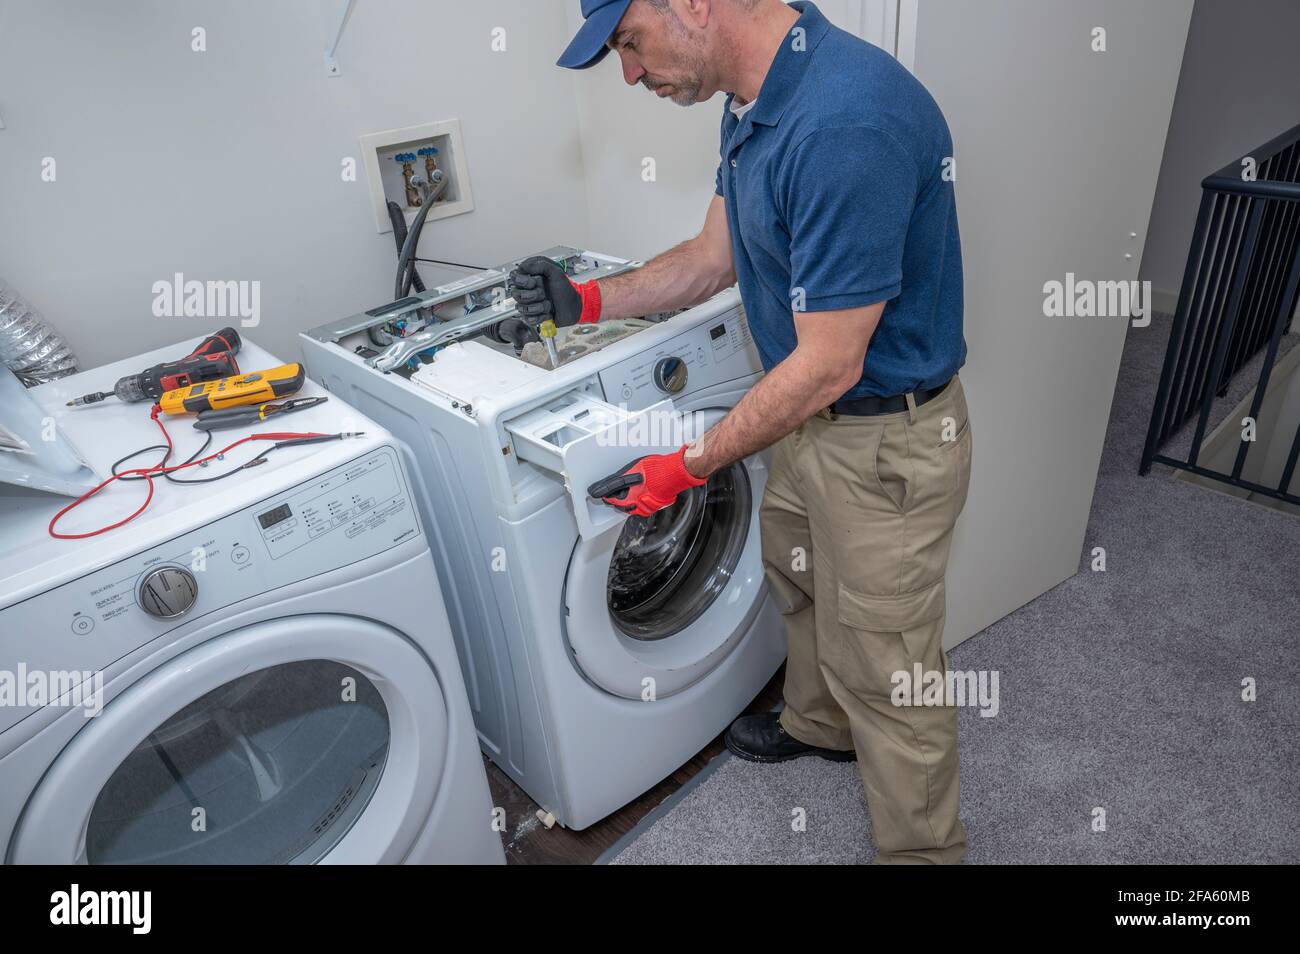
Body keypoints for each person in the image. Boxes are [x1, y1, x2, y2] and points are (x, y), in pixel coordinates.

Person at [507, 0, 972, 864]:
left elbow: (832, 362)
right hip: (804, 424)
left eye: (630, 43)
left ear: (690, 4)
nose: (632, 74)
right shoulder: (751, 104)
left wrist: (684, 467)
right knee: (794, 577)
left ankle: (926, 853)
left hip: (882, 440)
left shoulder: (846, 122)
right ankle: (820, 726)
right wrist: (588, 302)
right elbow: (711, 258)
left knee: (891, 666)